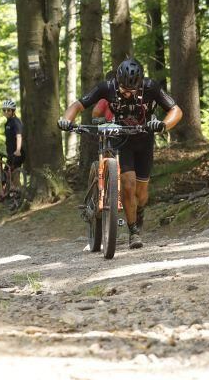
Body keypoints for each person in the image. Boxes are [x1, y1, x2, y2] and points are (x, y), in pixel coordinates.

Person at [58, 58, 183, 249]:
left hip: (144, 139)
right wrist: (67, 120)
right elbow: (78, 105)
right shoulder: (107, 87)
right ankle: (133, 231)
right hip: (121, 140)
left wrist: (163, 125)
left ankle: (139, 213)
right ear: (118, 81)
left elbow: (176, 110)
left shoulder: (151, 87)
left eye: (132, 90)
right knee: (128, 184)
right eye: (124, 89)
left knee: (141, 194)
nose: (127, 93)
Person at [2, 99, 24, 194]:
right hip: (11, 154)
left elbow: (19, 136)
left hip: (17, 153)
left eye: (8, 110)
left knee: (13, 175)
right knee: (6, 175)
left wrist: (18, 150)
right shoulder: (8, 122)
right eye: (4, 110)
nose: (6, 112)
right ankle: (12, 195)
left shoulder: (16, 122)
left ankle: (21, 195)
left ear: (13, 111)